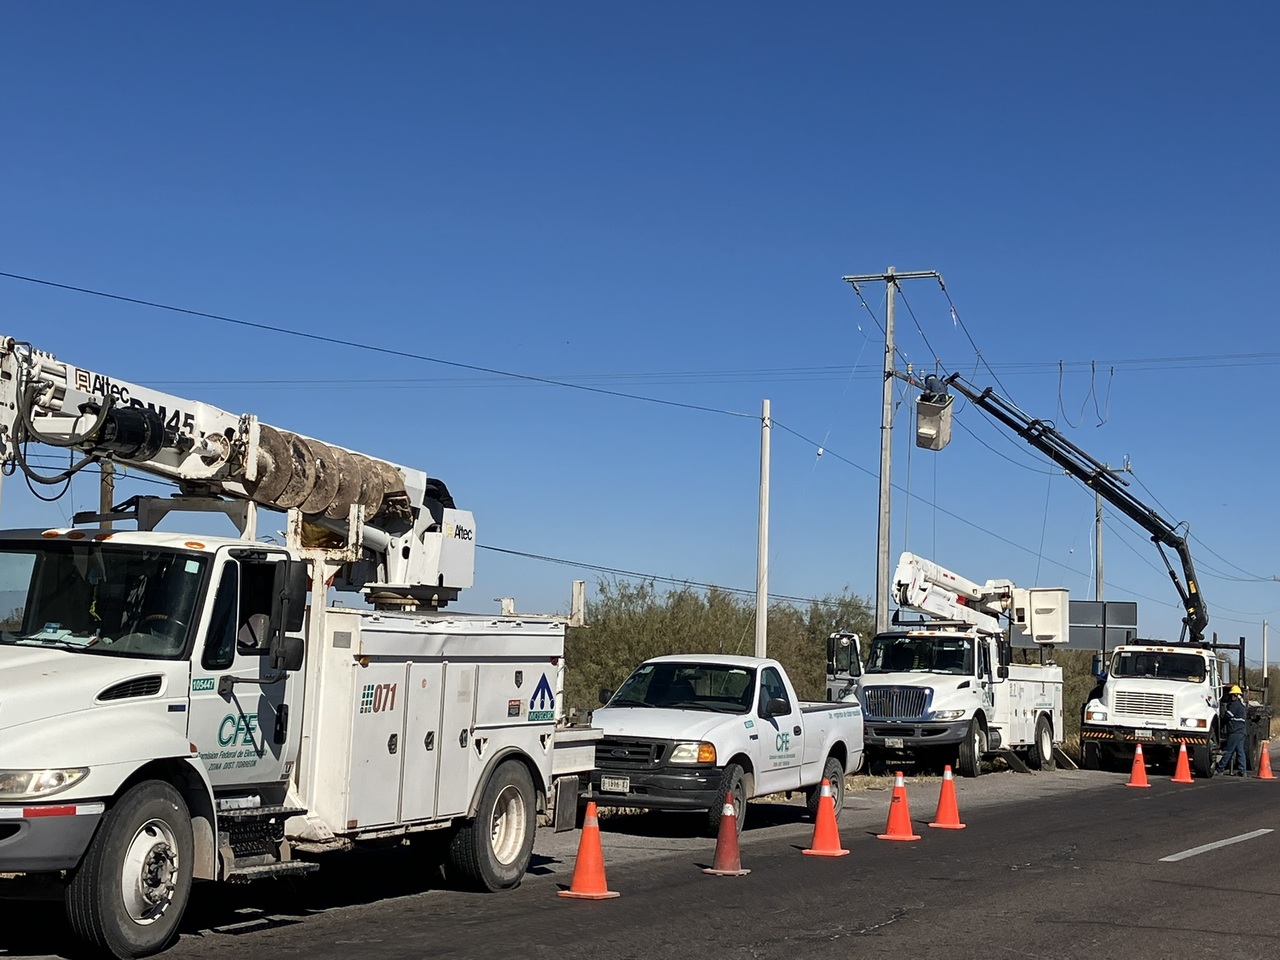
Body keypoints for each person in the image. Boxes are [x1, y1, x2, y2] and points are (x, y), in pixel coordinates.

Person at [1216, 685, 1249, 777]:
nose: (1232, 697)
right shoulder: (1241, 705)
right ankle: (1242, 771)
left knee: (1228, 750)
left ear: (1237, 695)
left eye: (1233, 695)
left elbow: (1228, 716)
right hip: (1241, 731)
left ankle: (1220, 769)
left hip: (1235, 731)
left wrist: (1221, 720)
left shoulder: (1235, 705)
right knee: (1240, 751)